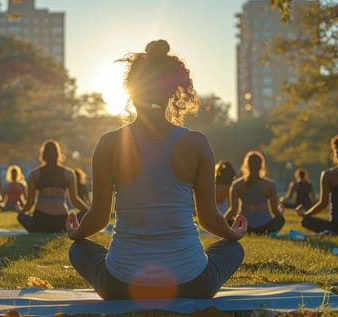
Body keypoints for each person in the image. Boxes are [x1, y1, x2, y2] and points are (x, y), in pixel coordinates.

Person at [66, 39, 246, 300]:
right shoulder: (196, 143)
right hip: (193, 284)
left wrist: (76, 232)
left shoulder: (109, 143)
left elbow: (98, 217)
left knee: (78, 249)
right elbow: (208, 219)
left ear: (130, 91)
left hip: (120, 286)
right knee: (233, 249)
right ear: (173, 91)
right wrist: (233, 233)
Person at [17, 140, 89, 233]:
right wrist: (88, 211)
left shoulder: (34, 174)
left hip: (39, 222)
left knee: (20, 216)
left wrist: (21, 210)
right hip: (61, 223)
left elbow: (30, 202)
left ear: (43, 155)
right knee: (84, 214)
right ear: (58, 154)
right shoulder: (69, 174)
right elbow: (74, 200)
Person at [224, 151, 285, 234]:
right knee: (280, 219)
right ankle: (268, 232)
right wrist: (281, 211)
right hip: (266, 225)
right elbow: (275, 211)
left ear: (246, 166)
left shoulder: (237, 185)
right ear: (261, 166)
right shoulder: (270, 185)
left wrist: (222, 222)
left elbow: (233, 210)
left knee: (229, 222)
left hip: (245, 227)